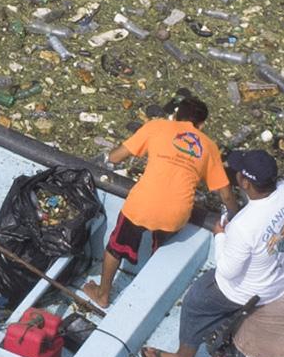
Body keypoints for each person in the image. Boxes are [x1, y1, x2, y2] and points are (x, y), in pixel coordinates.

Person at [145, 149, 284, 357]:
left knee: (197, 300)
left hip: (253, 291)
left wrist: (220, 236)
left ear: (245, 182)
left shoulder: (244, 225)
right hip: (281, 278)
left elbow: (227, 271)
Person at [85, 93, 230, 307]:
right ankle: (148, 296)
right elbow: (225, 193)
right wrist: (237, 216)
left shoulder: (157, 126)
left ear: (176, 116)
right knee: (158, 249)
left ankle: (103, 293)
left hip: (142, 205)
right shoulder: (209, 147)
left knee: (116, 246)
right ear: (201, 124)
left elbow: (116, 157)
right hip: (176, 215)